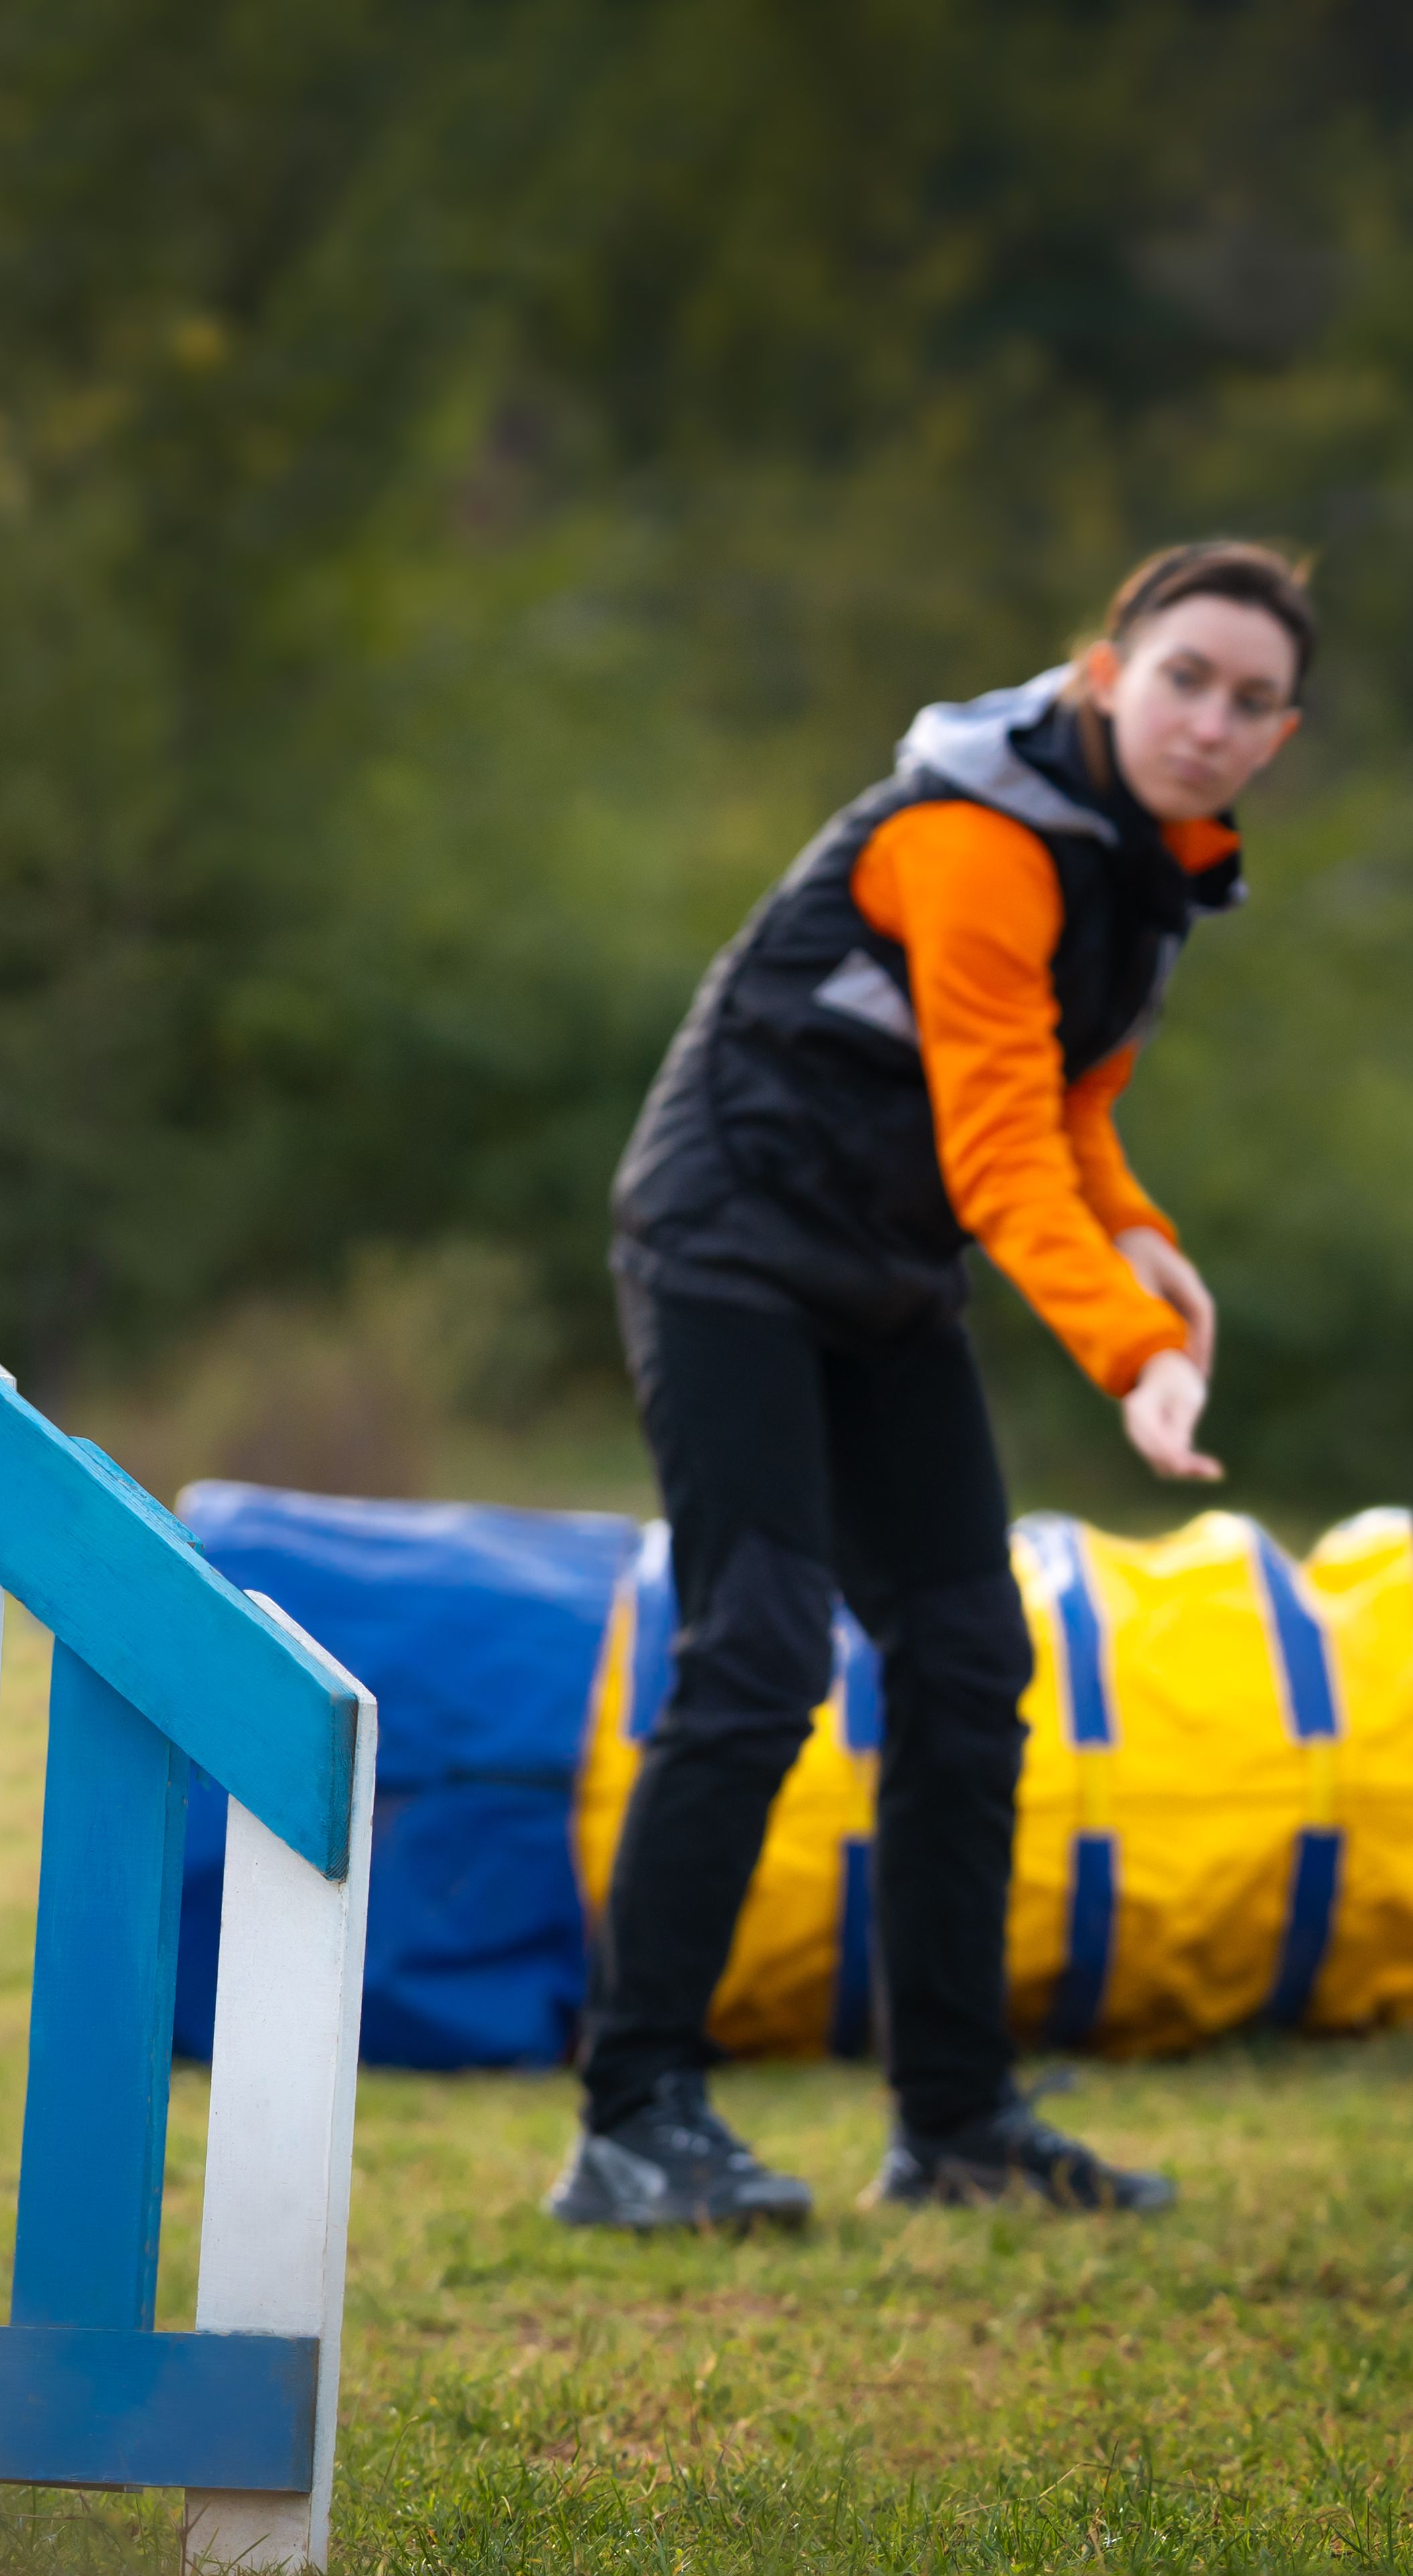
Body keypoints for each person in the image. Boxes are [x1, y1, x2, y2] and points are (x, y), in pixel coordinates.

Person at [558, 541, 1315, 2229]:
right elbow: (993, 1145)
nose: (1212, 719)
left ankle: (957, 2131)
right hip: (730, 1243)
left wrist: (1142, 1241)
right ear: (1106, 674)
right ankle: (632, 2123)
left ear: (1278, 738)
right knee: (756, 1652)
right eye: (1186, 676)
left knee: (973, 1658)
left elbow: (1073, 1119)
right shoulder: (976, 841)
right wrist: (1132, 1356)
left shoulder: (1150, 872)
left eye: (1253, 702)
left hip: (886, 1278)